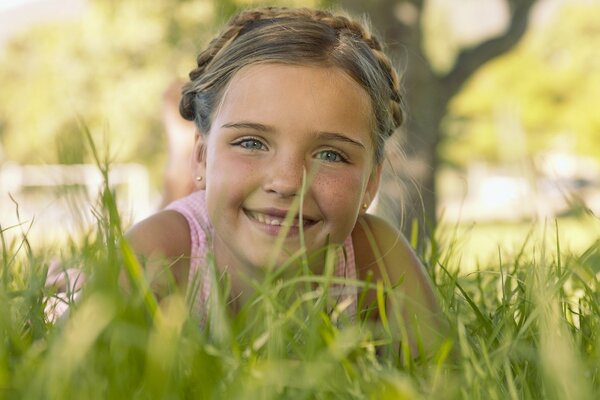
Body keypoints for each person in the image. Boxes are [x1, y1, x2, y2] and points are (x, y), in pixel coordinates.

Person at [127, 6, 446, 358]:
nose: (287, 182)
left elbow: (445, 376)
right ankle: (179, 175)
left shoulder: (376, 257)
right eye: (251, 143)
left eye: (330, 155)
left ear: (371, 182)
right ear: (202, 155)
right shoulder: (160, 253)